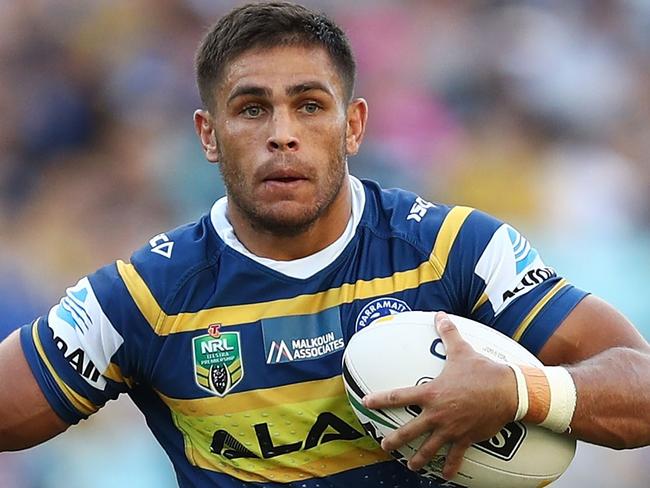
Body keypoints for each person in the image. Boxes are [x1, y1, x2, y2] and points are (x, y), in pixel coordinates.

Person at [1, 2, 649, 487]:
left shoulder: (457, 249)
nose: (283, 133)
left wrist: (517, 393)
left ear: (354, 124)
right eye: (252, 109)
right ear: (207, 134)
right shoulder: (143, 297)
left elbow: (640, 387)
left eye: (310, 105)